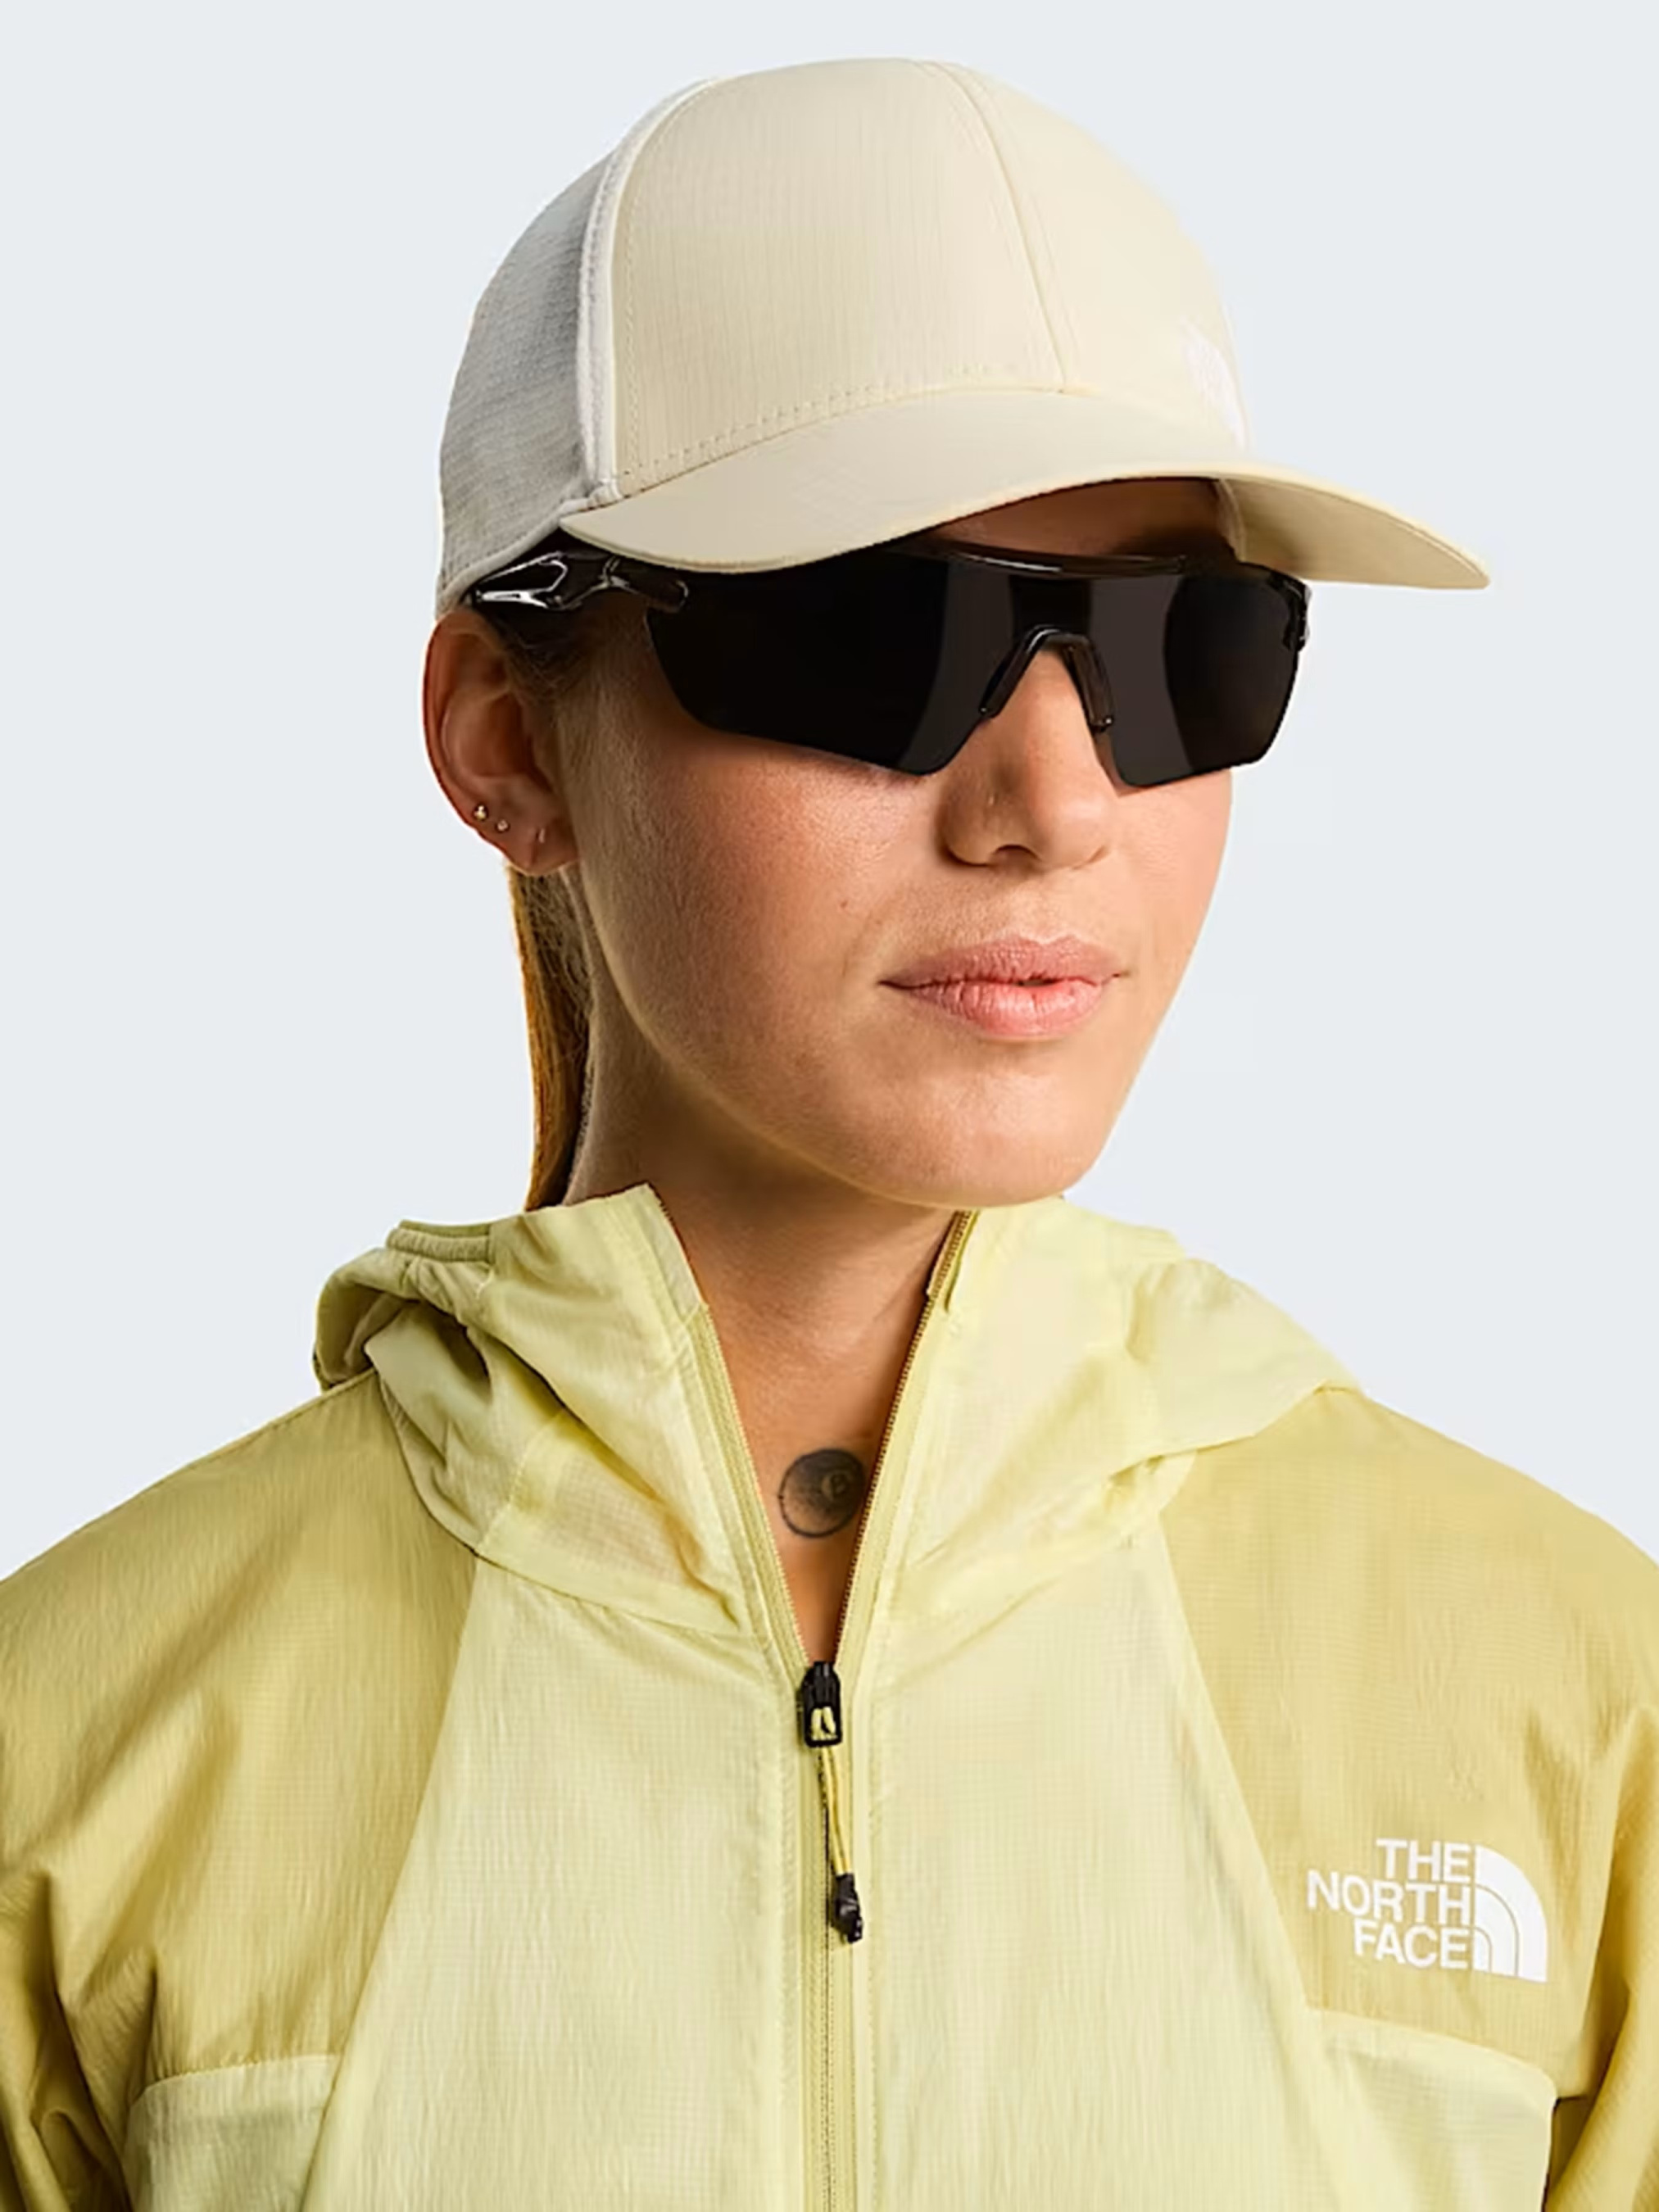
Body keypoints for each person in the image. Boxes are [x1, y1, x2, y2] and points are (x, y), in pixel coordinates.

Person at [1, 53, 1654, 2212]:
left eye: (1182, 647)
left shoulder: (1573, 1704)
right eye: (885, 635)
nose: (1054, 803)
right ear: (508, 740)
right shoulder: (78, 1750)